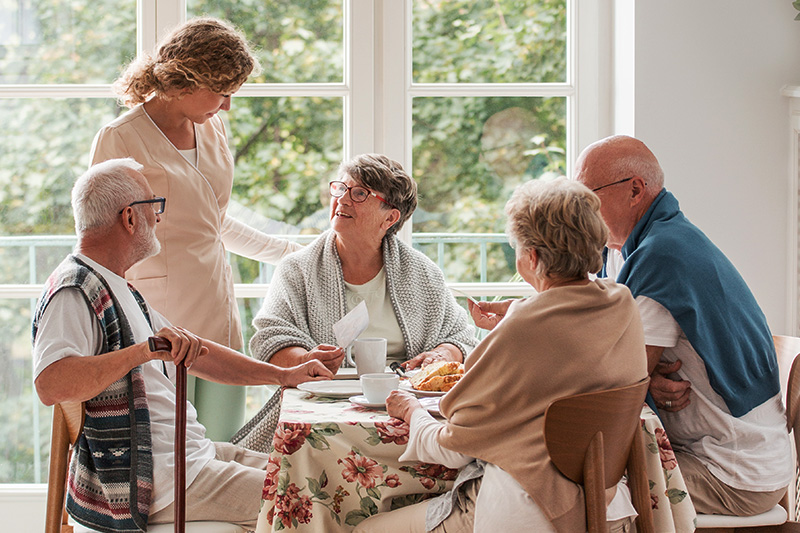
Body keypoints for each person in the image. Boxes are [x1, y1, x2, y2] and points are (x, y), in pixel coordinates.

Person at [32, 158, 333, 532]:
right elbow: (51, 384)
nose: (158, 218)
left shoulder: (118, 287)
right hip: (158, 481)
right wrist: (143, 351)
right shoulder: (74, 288)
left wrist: (284, 375)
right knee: (316, 503)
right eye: (153, 206)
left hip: (190, 459)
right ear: (129, 218)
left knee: (322, 477)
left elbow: (198, 352)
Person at [355, 177, 648, 533]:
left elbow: (452, 447)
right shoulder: (621, 303)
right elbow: (564, 337)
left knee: (364, 529)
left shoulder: (523, 327)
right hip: (607, 507)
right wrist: (517, 315)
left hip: (526, 510)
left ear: (533, 257)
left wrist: (412, 410)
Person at [90, 17, 302, 437]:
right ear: (186, 81)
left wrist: (289, 252)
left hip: (219, 306)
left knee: (223, 442)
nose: (227, 106)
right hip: (161, 319)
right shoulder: (121, 138)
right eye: (223, 93)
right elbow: (100, 240)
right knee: (172, 456)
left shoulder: (213, 126)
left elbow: (214, 221)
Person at [574, 134, 792, 516]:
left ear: (635, 190)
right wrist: (647, 380)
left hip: (730, 473)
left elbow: (616, 387)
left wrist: (642, 383)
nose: (583, 212)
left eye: (588, 197)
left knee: (576, 491)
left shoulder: (661, 257)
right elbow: (622, 355)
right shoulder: (657, 242)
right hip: (737, 456)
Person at [249, 153, 478, 373]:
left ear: (390, 218)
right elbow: (269, 340)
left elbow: (461, 337)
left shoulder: (423, 273)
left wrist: (443, 355)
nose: (342, 199)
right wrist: (304, 360)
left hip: (405, 395)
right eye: (340, 188)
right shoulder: (297, 269)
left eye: (359, 194)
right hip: (322, 397)